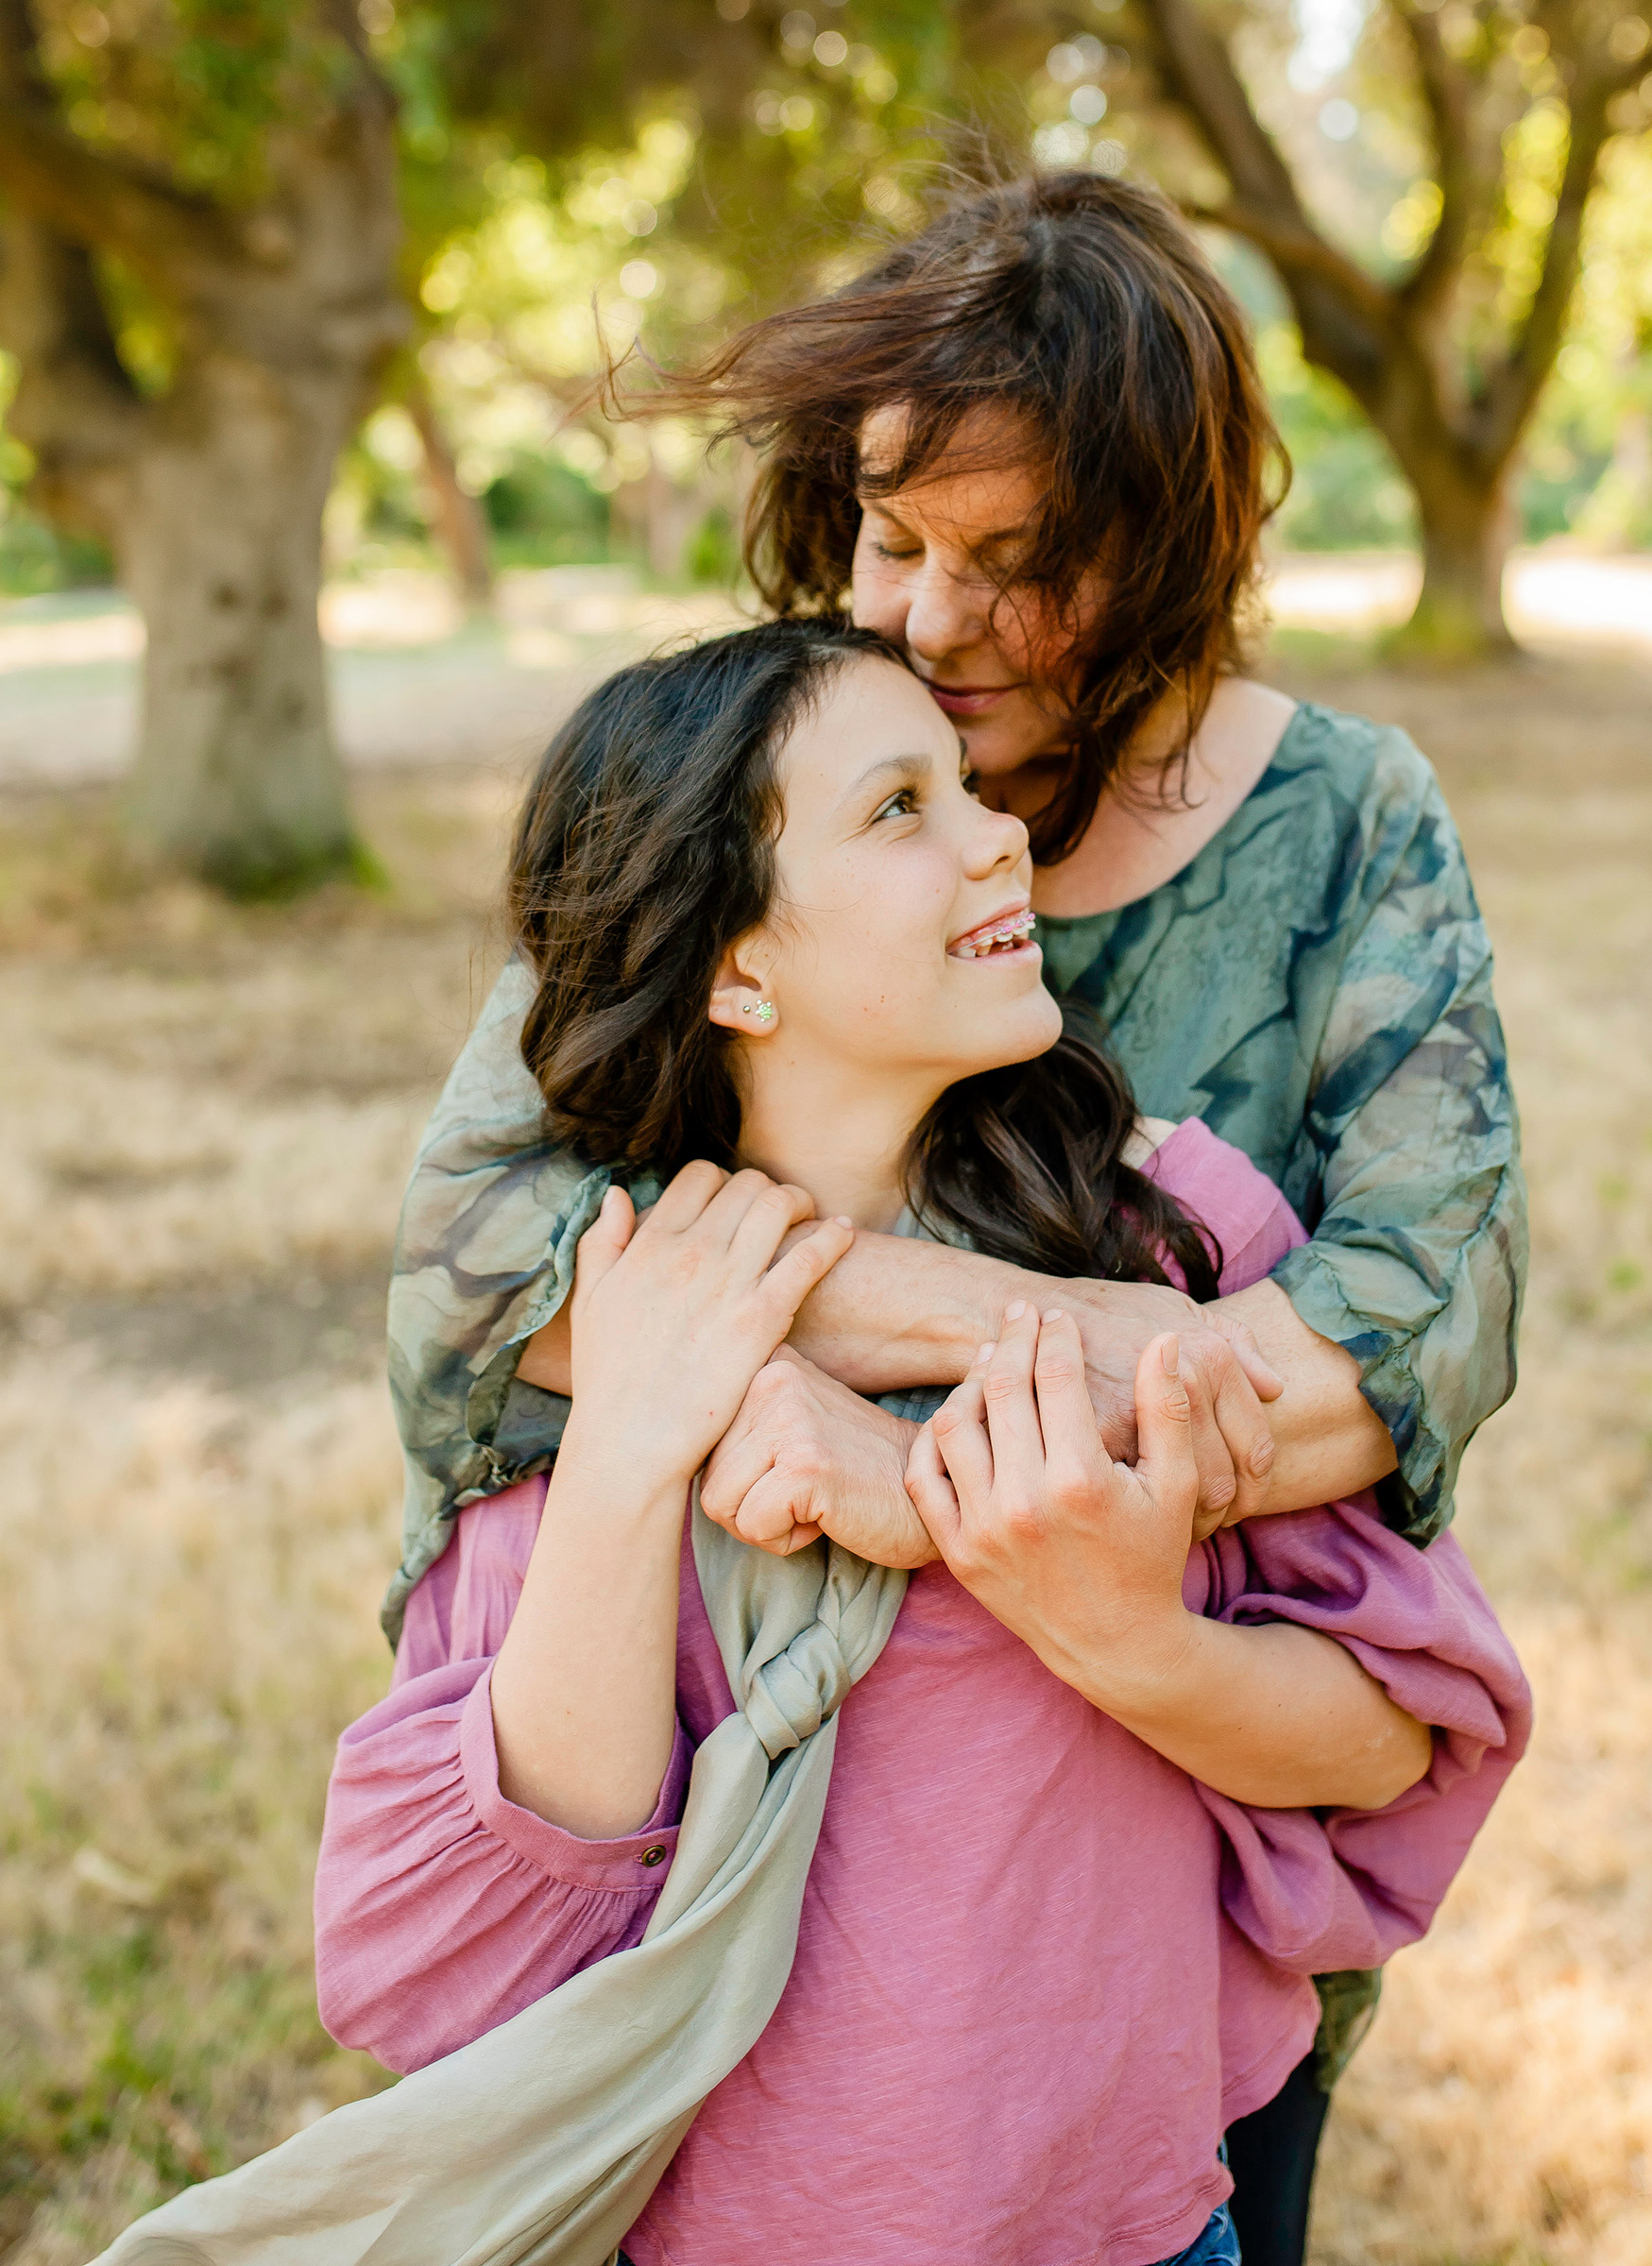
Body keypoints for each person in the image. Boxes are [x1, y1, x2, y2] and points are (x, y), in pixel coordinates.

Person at [383, 168, 1524, 2265]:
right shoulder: (765, 776)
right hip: (698, 1823)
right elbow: (472, 1267)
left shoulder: (1339, 825)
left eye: (1020, 566)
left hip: (1144, 1860)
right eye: (890, 541)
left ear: (1170, 553)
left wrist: (911, 1443)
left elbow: (1408, 1338)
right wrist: (950, 1314)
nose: (928, 617)